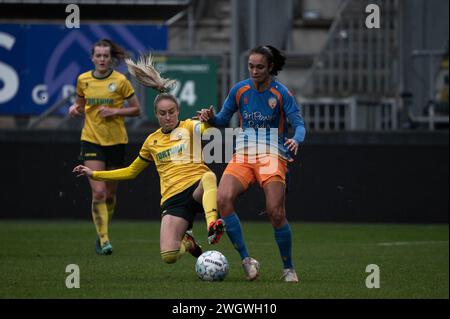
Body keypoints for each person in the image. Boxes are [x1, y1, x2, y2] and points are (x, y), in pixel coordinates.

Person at [73, 54, 224, 265]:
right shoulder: (151, 142)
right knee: (169, 256)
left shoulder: (190, 126)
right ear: (156, 115)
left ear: (178, 111)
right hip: (173, 199)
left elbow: (208, 126)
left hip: (197, 188)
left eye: (172, 112)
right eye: (163, 113)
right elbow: (130, 171)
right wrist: (94, 173)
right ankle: (188, 243)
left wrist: (210, 118)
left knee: (209, 176)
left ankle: (211, 225)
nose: (168, 116)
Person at [196, 45, 306, 283]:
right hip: (244, 154)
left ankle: (288, 268)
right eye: (251, 66)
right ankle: (247, 260)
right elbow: (223, 120)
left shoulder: (281, 94)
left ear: (270, 68)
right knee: (222, 199)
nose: (254, 71)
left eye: (259, 67)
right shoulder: (240, 90)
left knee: (276, 212)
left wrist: (296, 139)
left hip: (271, 155)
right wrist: (210, 118)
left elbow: (299, 124)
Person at [69, 39, 141, 255]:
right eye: (98, 55)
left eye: (105, 56)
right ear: (92, 58)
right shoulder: (83, 80)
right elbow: (81, 105)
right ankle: (104, 239)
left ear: (111, 59)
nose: (101, 59)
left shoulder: (120, 81)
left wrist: (115, 112)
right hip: (91, 139)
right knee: (98, 192)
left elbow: (137, 110)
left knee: (109, 195)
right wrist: (75, 109)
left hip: (117, 141)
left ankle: (103, 230)